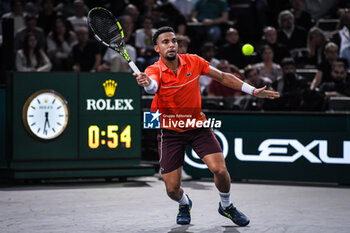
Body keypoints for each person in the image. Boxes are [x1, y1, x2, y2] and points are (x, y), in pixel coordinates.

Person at [133, 26, 279, 226]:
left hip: (197, 126)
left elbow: (223, 77)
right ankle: (184, 203)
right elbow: (153, 87)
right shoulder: (153, 70)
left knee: (220, 170)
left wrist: (252, 91)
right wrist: (146, 82)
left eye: (173, 40)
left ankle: (226, 206)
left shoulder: (194, 61)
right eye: (165, 42)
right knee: (172, 189)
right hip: (169, 131)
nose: (171, 45)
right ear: (157, 48)